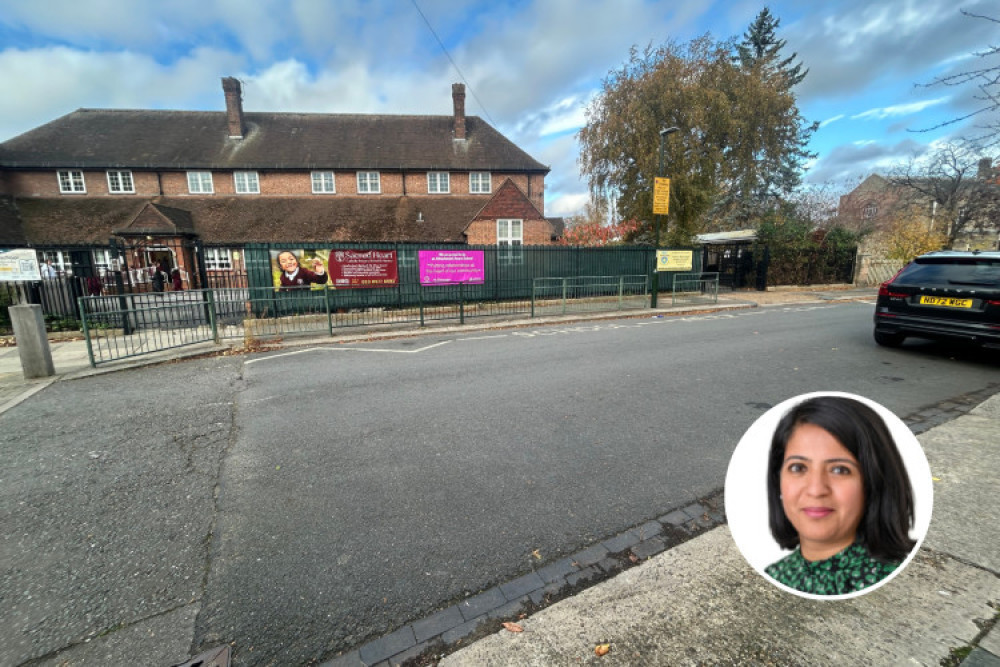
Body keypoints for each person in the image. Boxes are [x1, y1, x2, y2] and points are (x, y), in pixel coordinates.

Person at [764, 396, 916, 595]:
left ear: (874, 481)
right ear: (778, 480)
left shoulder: (885, 579)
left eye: (840, 470)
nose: (816, 490)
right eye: (798, 467)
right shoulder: (777, 573)